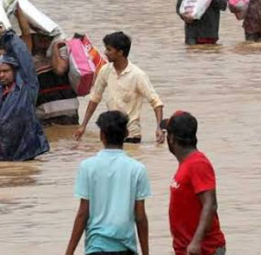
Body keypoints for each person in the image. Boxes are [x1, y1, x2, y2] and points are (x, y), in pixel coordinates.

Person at [65, 111, 151, 255]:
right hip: (126, 249)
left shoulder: (87, 167)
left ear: (101, 136)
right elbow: (140, 217)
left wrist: (69, 252)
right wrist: (146, 253)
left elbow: (83, 213)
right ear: (126, 133)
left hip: (96, 248)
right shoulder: (137, 169)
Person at [73, 32, 164, 144]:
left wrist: (159, 127)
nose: (105, 53)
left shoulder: (137, 75)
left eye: (109, 49)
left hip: (131, 136)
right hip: (111, 135)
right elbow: (95, 98)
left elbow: (156, 103)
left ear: (120, 52)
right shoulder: (105, 71)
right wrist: (83, 125)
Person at [0, 31, 50, 161]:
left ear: (14, 71)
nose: (1, 75)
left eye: (5, 71)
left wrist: (8, 35)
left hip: (24, 152)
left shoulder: (26, 89)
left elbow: (25, 59)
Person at [162, 111, 226, 255]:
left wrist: (196, 241)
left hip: (205, 250)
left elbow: (210, 204)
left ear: (171, 138)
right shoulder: (186, 164)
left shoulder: (198, 163)